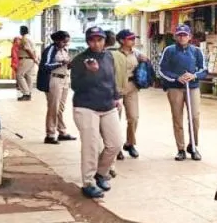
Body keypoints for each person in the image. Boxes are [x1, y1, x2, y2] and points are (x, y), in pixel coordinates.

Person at [70, 26, 122, 199]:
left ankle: (101, 173)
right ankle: (88, 182)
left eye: (99, 39)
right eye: (92, 40)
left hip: (108, 105)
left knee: (115, 144)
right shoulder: (80, 60)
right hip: (86, 106)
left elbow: (112, 78)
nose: (96, 43)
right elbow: (76, 86)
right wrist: (89, 72)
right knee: (91, 146)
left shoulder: (109, 56)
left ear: (104, 41)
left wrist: (116, 97)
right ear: (87, 41)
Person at [158, 25, 206, 161]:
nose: (182, 37)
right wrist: (176, 78)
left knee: (195, 117)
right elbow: (162, 69)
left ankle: (193, 146)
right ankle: (181, 148)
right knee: (177, 118)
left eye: (185, 35)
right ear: (175, 36)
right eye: (179, 35)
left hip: (193, 87)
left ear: (190, 36)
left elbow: (204, 69)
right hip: (175, 88)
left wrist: (194, 76)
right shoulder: (169, 50)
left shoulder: (197, 51)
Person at [111, 29, 148, 160]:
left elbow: (145, 66)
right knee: (115, 119)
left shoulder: (137, 54)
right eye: (130, 39)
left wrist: (145, 61)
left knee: (133, 117)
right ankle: (116, 147)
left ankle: (130, 143)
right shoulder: (113, 54)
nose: (133, 41)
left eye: (134, 38)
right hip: (117, 87)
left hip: (132, 87)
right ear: (121, 40)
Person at [42, 31, 76, 144]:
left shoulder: (64, 50)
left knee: (60, 108)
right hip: (54, 79)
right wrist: (61, 63)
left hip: (65, 79)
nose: (66, 44)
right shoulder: (51, 50)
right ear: (57, 40)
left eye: (67, 41)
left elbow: (67, 65)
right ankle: (50, 134)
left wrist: (71, 64)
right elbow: (45, 66)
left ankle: (62, 131)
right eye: (64, 41)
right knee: (53, 107)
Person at [15, 25, 38, 101]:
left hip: (26, 59)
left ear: (22, 31)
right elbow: (34, 50)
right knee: (29, 76)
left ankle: (26, 93)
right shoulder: (31, 38)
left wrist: (34, 58)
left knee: (19, 75)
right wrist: (35, 59)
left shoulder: (25, 38)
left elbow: (28, 49)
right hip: (31, 59)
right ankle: (28, 93)